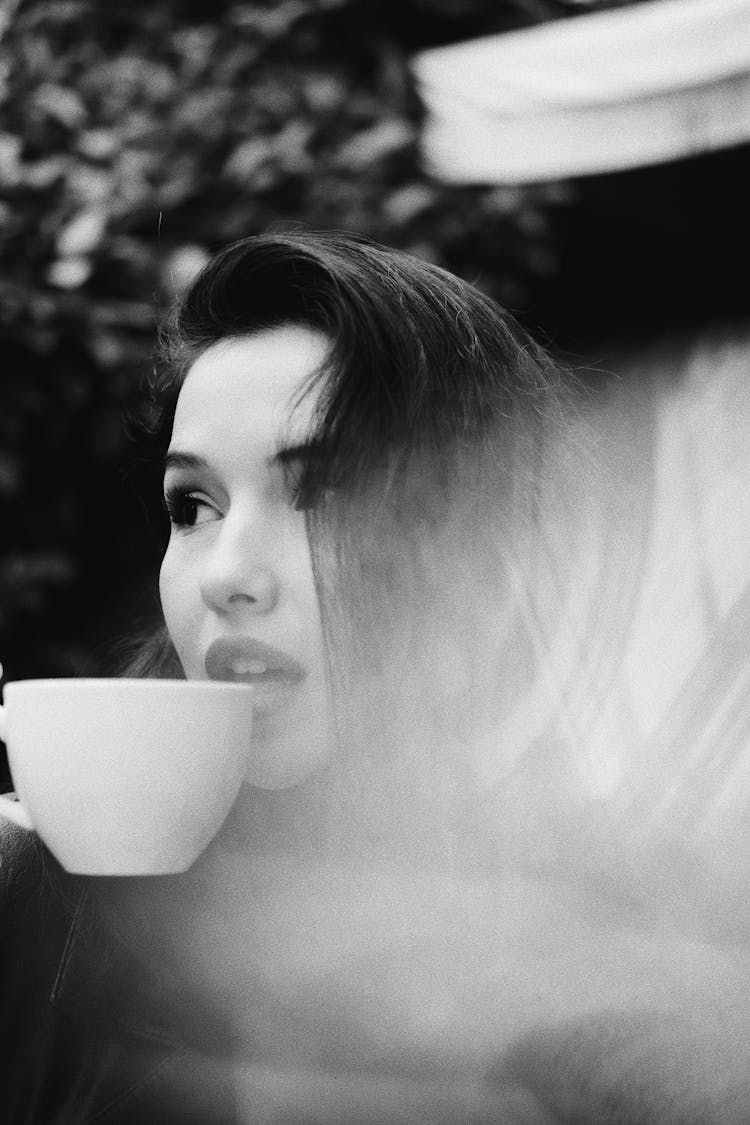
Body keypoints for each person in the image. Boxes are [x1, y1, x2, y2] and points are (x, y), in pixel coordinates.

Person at [2, 229, 750, 1124]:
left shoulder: (626, 924)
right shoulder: (55, 902)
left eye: (323, 490)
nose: (224, 573)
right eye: (192, 505)